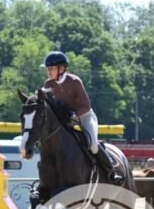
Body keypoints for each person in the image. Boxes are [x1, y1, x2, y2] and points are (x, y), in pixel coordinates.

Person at [41, 51, 124, 185]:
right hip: (64, 121)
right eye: (48, 68)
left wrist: (72, 115)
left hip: (84, 116)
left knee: (92, 145)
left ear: (61, 69)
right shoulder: (48, 84)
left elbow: (86, 106)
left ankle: (112, 172)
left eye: (51, 68)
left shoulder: (74, 81)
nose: (48, 71)